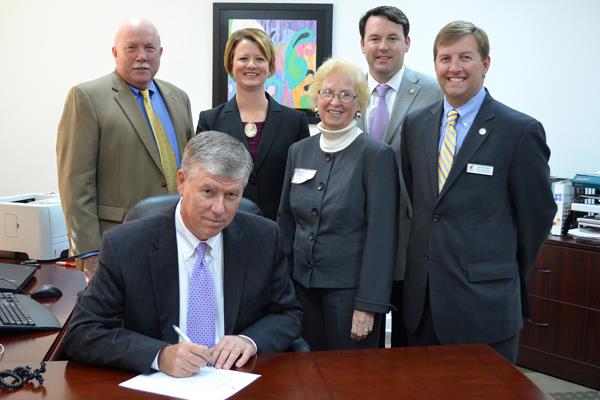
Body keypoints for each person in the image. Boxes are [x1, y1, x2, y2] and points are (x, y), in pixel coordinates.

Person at [64, 131, 302, 376]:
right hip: (160, 385)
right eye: (208, 192)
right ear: (182, 182)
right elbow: (84, 331)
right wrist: (158, 355)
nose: (219, 209)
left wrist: (249, 340)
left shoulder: (264, 238)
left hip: (237, 380)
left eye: (231, 195)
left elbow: (287, 314)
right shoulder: (126, 245)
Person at [400, 21, 556, 362]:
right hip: (421, 305)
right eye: (445, 59)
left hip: (484, 307)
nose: (454, 68)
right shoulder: (415, 126)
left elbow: (537, 216)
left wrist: (498, 271)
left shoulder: (519, 131)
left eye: (465, 58)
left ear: (485, 64)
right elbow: (421, 204)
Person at [56, 18, 194, 279]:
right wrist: (88, 253)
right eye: (132, 48)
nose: (142, 56)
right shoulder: (87, 97)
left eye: (149, 48)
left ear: (160, 53)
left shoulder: (179, 98)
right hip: (117, 242)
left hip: (177, 239)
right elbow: (75, 183)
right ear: (115, 52)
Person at [278, 58, 399, 350]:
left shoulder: (376, 155)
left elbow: (382, 237)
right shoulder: (299, 151)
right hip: (301, 290)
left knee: (350, 383)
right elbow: (285, 221)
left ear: (360, 103)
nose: (335, 101)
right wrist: (281, 286)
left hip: (351, 296)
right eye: (327, 92)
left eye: (346, 94)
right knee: (305, 379)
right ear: (316, 98)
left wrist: (369, 305)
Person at [358, 6, 443, 347]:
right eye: (375, 38)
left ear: (407, 43)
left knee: (411, 338)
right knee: (362, 340)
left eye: (392, 38)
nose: (383, 46)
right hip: (360, 236)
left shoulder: (434, 91)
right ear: (362, 44)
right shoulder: (346, 91)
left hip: (412, 238)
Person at [197, 28, 309, 220]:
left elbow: (303, 185)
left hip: (279, 231)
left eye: (260, 59)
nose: (251, 65)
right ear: (230, 64)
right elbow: (201, 183)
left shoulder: (295, 122)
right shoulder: (210, 121)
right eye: (243, 58)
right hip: (223, 226)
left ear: (270, 66)